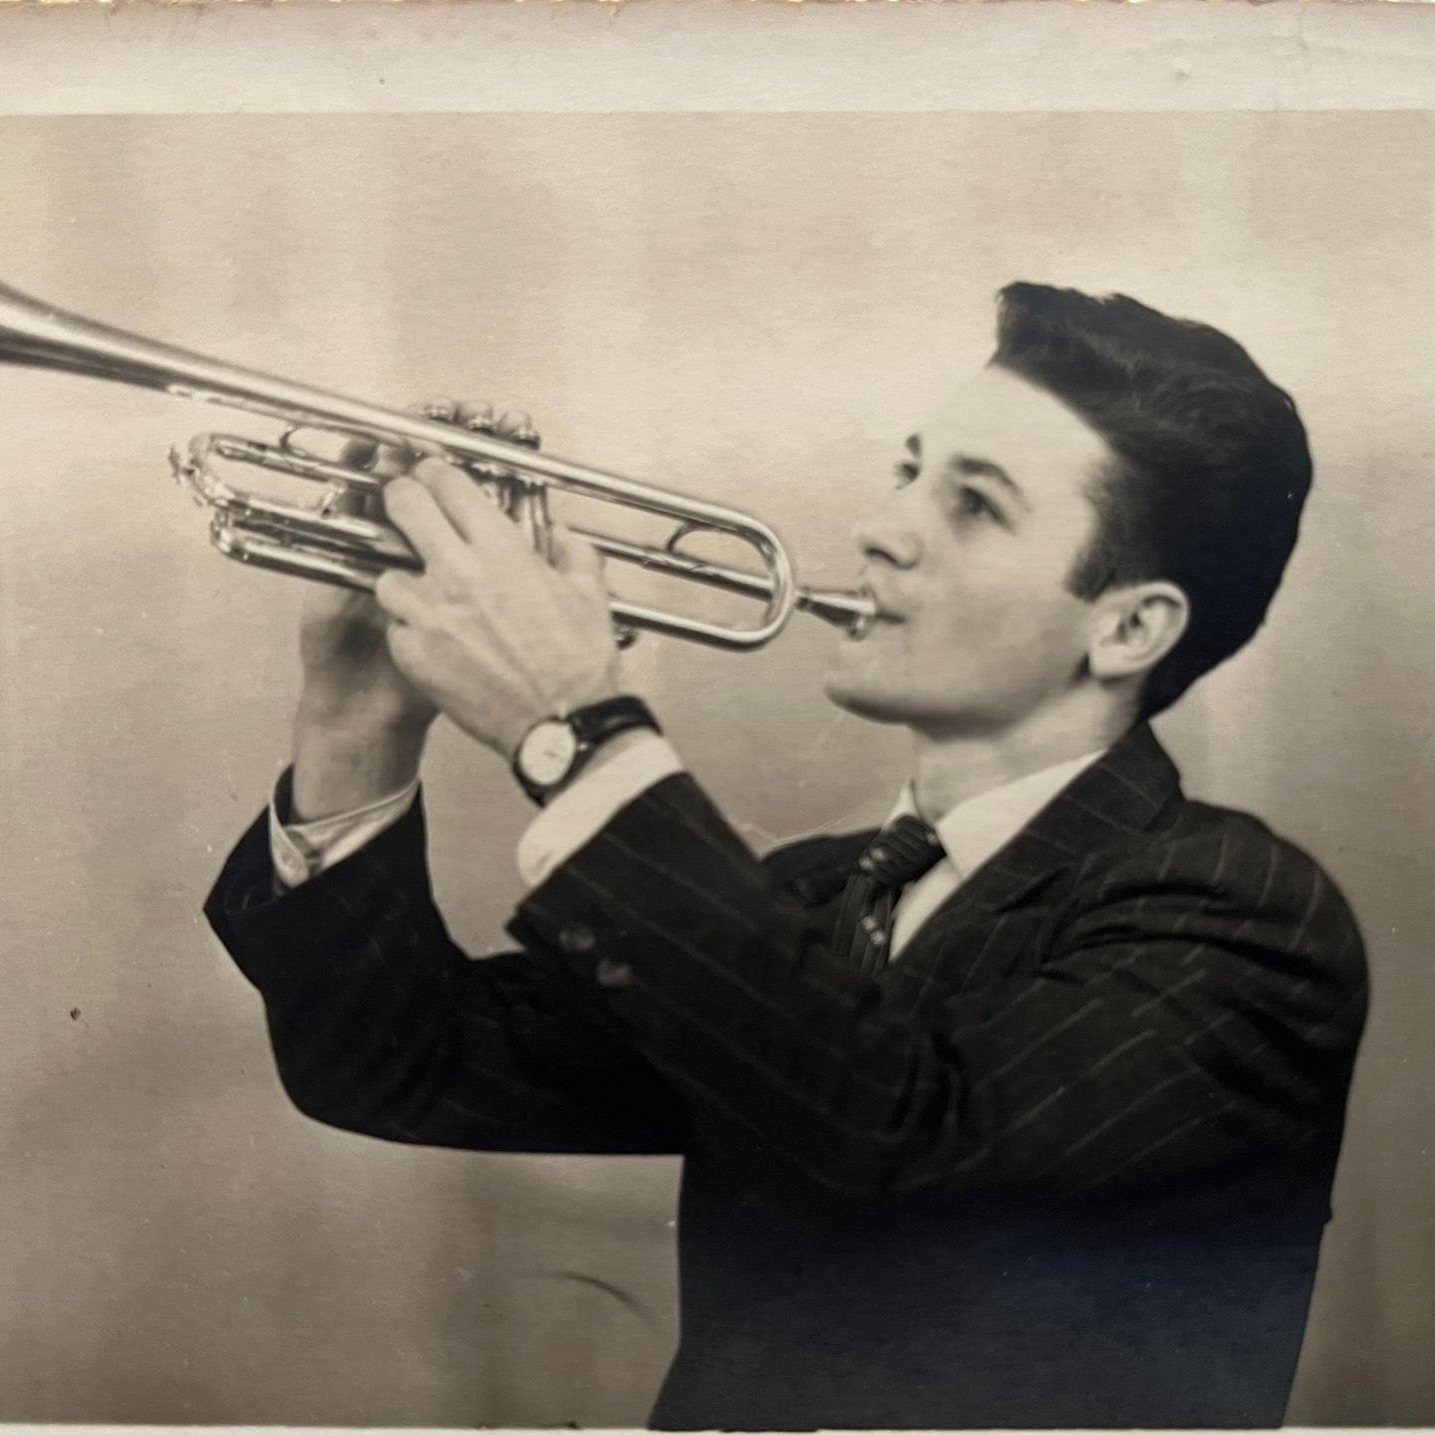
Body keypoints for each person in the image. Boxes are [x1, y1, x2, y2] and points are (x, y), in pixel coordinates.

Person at [206, 283, 1367, 1430]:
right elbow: (393, 1063)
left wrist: (571, 727)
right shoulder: (818, 892)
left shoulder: (1241, 920)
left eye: (973, 504)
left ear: (1127, 626)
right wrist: (357, 718)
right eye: (909, 471)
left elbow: (889, 1137)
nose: (881, 529)